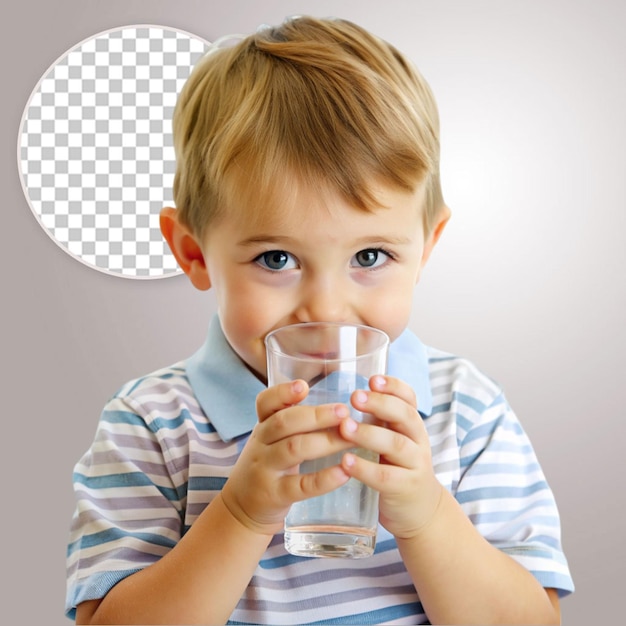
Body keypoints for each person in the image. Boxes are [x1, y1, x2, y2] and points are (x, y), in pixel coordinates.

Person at [66, 15, 574, 625]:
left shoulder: (464, 410)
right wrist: (241, 515)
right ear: (194, 253)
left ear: (427, 247)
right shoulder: (150, 424)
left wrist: (428, 516)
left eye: (370, 256)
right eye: (276, 259)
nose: (328, 310)